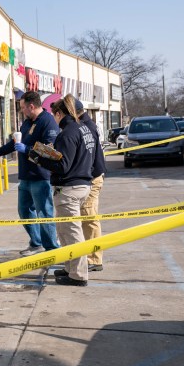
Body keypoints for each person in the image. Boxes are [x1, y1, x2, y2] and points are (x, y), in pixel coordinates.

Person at [29, 94, 94, 286]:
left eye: (54, 115)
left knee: (72, 233)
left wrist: (39, 158)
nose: (54, 120)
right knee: (64, 231)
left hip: (69, 188)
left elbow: (63, 166)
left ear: (59, 113)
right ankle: (70, 268)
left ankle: (79, 274)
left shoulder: (67, 133)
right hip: (81, 184)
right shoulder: (83, 129)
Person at [0, 91, 60, 256]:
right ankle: (36, 242)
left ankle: (52, 248)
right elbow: (14, 143)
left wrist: (27, 149)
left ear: (32, 106)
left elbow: (49, 150)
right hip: (25, 176)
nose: (22, 110)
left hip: (40, 176)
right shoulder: (27, 123)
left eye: (23, 107)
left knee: (44, 214)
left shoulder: (48, 122)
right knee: (24, 211)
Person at [76, 100, 106, 272]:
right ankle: (89, 255)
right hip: (90, 176)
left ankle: (94, 259)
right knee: (86, 218)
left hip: (92, 178)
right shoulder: (85, 125)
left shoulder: (88, 127)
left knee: (89, 218)